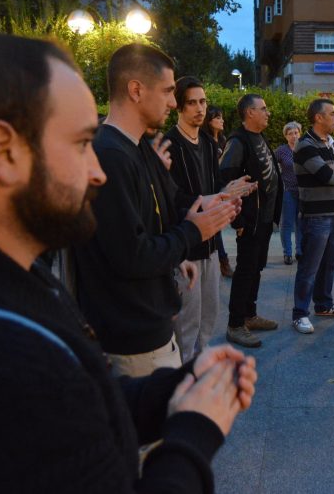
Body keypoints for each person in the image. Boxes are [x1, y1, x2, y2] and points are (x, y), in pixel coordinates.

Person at [0, 32, 257, 492]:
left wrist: (173, 391)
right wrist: (195, 433)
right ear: (3, 151)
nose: (97, 171)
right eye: (82, 143)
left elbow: (78, 400)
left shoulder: (4, 275)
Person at [72, 44, 237, 377]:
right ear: (136, 90)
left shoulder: (138, 147)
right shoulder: (110, 155)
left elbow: (164, 208)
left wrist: (204, 209)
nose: (174, 102)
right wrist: (194, 232)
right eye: (167, 91)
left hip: (153, 327)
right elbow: (132, 255)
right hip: (132, 340)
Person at [165, 76, 256, 362]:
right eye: (191, 102)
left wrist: (229, 195)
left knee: (209, 316)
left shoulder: (206, 141)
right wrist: (206, 201)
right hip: (186, 247)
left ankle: (198, 367)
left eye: (202, 101)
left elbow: (215, 189)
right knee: (187, 322)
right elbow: (170, 198)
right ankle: (183, 379)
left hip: (212, 244)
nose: (199, 108)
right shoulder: (169, 144)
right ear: (179, 107)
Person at [220, 94, 283, 347]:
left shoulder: (259, 137)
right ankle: (235, 324)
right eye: (263, 109)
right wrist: (238, 220)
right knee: (245, 271)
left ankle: (250, 315)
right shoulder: (238, 142)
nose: (268, 113)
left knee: (255, 268)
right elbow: (224, 182)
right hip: (250, 221)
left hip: (264, 220)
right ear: (249, 113)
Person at [291, 99, 334, 333]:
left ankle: (324, 305)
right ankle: (300, 313)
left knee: (329, 264)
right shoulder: (305, 145)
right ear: (318, 117)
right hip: (315, 216)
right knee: (309, 267)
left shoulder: (331, 142)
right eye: (332, 113)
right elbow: (327, 175)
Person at [202, 104, 234, 277]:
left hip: (221, 188)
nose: (222, 120)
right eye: (218, 117)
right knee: (215, 228)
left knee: (217, 227)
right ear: (209, 121)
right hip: (208, 190)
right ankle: (222, 261)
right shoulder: (204, 141)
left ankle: (219, 260)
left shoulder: (224, 140)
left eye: (222, 117)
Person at [275, 121, 304, 265]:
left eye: (296, 132)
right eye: (290, 133)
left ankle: (299, 251)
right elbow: (271, 166)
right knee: (286, 223)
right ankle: (287, 253)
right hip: (287, 191)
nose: (294, 136)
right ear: (286, 136)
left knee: (301, 222)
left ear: (300, 133)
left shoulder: (305, 149)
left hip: (304, 192)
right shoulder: (281, 151)